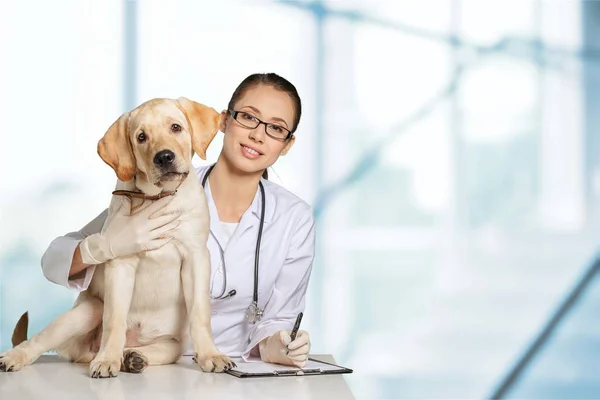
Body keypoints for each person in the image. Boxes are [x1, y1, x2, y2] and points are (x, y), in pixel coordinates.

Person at [40, 72, 315, 368]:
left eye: (276, 128)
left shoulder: (294, 218)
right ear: (223, 121)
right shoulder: (157, 189)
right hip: (151, 364)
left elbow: (276, 325)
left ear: (287, 144)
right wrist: (104, 247)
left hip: (231, 370)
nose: (258, 135)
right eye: (249, 117)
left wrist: (285, 346)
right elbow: (53, 260)